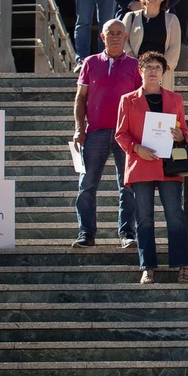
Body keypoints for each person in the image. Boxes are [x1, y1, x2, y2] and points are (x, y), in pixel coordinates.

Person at [115, 51, 188, 285]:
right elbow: (120, 134)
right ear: (140, 71)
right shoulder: (128, 100)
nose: (152, 71)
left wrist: (180, 135)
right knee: (145, 219)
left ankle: (183, 266)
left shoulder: (175, 99)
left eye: (157, 67)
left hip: (168, 165)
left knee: (175, 217)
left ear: (163, 73)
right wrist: (137, 148)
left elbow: (184, 135)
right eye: (148, 67)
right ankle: (147, 267)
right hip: (141, 164)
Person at [71, 22, 137, 249]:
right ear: (102, 36)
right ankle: (86, 233)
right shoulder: (89, 63)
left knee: (128, 186)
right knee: (87, 185)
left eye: (120, 33)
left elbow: (141, 101)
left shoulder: (135, 65)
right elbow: (80, 98)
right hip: (95, 132)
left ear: (126, 36)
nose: (116, 37)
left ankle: (127, 233)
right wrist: (79, 128)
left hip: (126, 135)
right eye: (111, 33)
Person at [122, 0, 181, 90]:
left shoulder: (172, 20)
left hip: (162, 75)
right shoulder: (130, 17)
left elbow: (174, 48)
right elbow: (123, 43)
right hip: (135, 72)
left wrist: (159, 69)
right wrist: (137, 65)